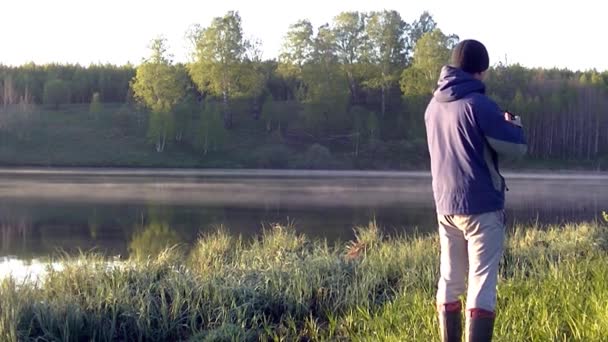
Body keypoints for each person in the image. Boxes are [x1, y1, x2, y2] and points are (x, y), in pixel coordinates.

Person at [424, 40, 527, 341]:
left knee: (450, 279)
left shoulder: (433, 107)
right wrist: (514, 124)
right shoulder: (479, 105)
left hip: (445, 206)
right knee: (481, 283)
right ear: (481, 71)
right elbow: (515, 146)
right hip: (481, 206)